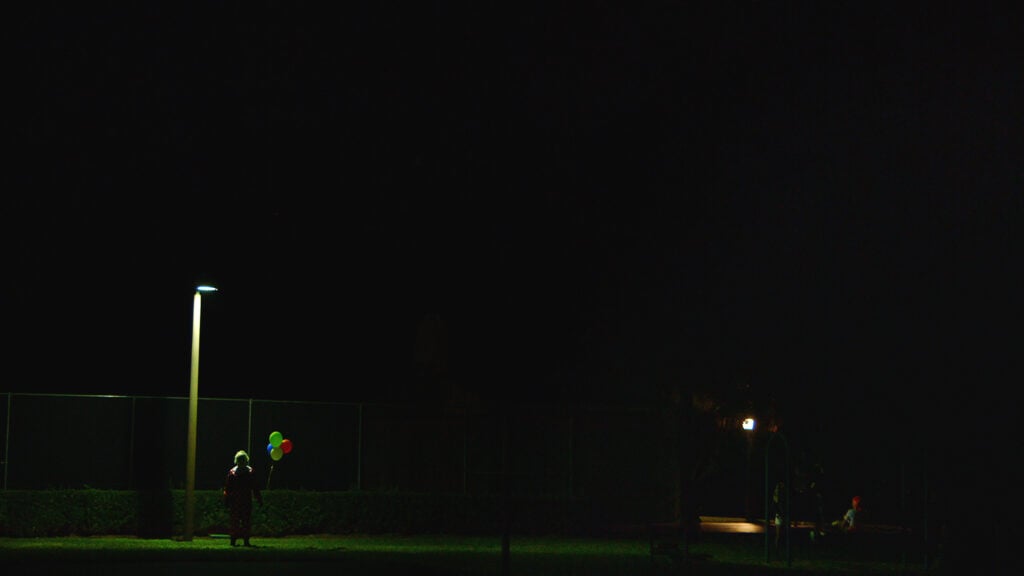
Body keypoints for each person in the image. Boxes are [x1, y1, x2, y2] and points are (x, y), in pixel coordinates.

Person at [223, 450, 263, 546]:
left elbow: (227, 488)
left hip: (236, 500)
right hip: (244, 500)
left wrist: (226, 500)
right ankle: (244, 540)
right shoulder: (249, 472)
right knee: (244, 521)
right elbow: (255, 487)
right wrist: (259, 499)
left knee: (236, 521)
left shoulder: (233, 473)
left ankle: (235, 540)